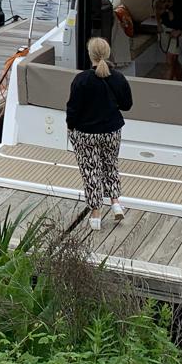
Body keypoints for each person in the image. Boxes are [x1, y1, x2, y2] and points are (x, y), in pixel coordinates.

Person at [66, 36, 133, 230]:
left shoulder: (82, 80)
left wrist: (70, 127)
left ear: (90, 55)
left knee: (91, 171)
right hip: (111, 130)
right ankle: (116, 203)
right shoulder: (118, 78)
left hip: (87, 133)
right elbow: (127, 105)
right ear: (108, 53)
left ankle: (95, 215)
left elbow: (73, 109)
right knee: (110, 165)